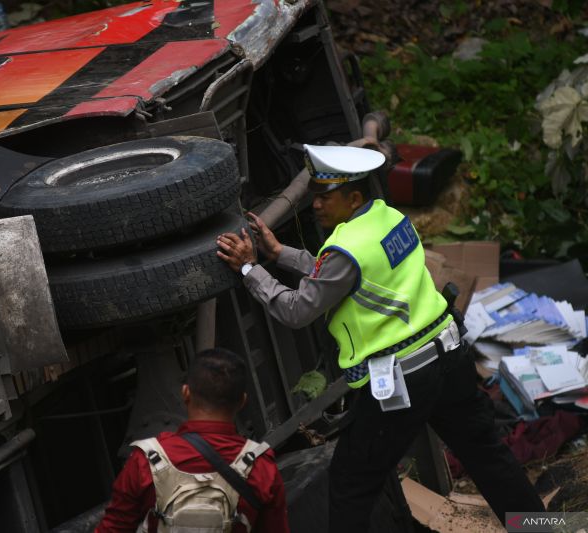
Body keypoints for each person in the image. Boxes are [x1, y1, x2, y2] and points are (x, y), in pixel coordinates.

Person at [216, 145, 545, 532]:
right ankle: (547, 528)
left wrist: (250, 268)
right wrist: (281, 253)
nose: (316, 206)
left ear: (353, 198)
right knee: (489, 458)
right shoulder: (386, 218)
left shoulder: (347, 246)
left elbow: (298, 309)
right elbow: (344, 279)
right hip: (450, 355)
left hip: (403, 382)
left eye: (325, 197)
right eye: (315, 196)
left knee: (351, 485)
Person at [96, 347, 289, 533]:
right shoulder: (261, 467)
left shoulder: (144, 461)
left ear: (186, 393)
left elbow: (113, 528)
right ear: (242, 401)